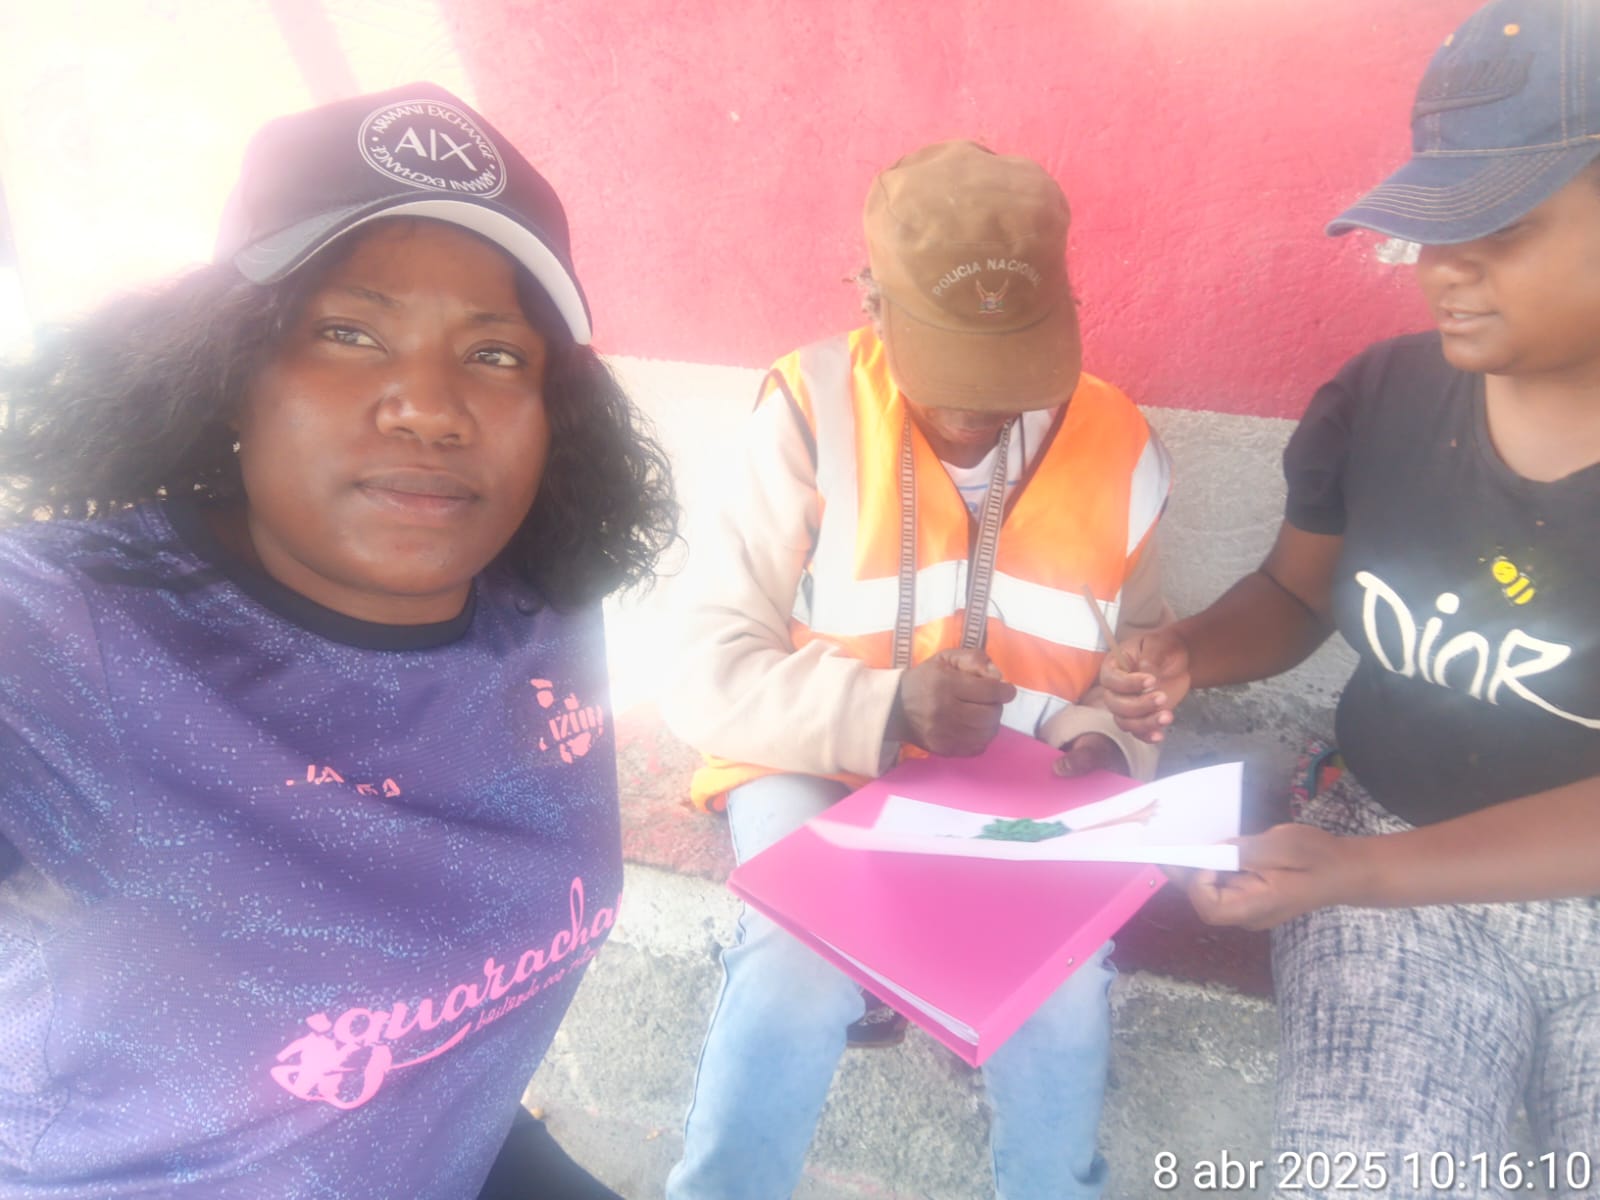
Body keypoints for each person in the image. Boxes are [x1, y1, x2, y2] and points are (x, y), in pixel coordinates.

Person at [0, 83, 674, 1198]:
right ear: (232, 368)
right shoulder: (64, 637)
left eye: (495, 353)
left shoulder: (543, 604)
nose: (430, 407)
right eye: (348, 333)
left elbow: (435, 1059)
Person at [1099, 2, 1600, 1195]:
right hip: (1385, 861)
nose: (1443, 269)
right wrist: (1190, 648)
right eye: (1429, 228)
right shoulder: (1379, 399)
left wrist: (1358, 873)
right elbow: (1295, 592)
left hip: (1403, 875)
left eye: (1499, 227)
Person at [663, 140, 1172, 1200]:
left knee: (1060, 985)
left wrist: (1108, 732)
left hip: (1012, 785)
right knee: (797, 962)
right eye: (951, 367)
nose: (980, 408)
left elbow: (1139, 660)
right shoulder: (810, 408)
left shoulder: (1120, 439)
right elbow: (705, 672)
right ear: (871, 303)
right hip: (810, 758)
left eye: (1011, 365)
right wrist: (891, 705)